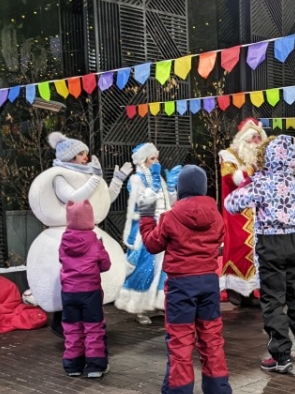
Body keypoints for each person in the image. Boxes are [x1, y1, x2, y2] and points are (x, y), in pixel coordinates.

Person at [224, 135, 295, 374]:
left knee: (274, 300)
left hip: (271, 243)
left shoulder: (260, 182)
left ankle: (281, 356)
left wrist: (246, 180)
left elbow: (231, 204)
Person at [27, 132, 131, 338]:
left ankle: (83, 326)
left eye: (85, 153)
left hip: (86, 231)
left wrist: (117, 180)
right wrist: (94, 178)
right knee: (62, 283)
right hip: (65, 233)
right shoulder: (60, 176)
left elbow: (103, 199)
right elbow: (73, 198)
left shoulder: (88, 175)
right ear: (70, 157)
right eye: (82, 154)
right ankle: (65, 324)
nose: (86, 157)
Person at [137, 165, 231, 394]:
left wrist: (147, 217)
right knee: (211, 339)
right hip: (209, 283)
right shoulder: (217, 217)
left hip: (181, 286)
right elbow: (219, 239)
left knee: (180, 343)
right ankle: (218, 389)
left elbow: (152, 244)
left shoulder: (170, 217)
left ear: (180, 189)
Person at [115, 143, 180, 325]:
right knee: (144, 268)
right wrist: (156, 186)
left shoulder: (158, 177)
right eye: (152, 158)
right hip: (144, 230)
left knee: (162, 268)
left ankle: (159, 302)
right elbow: (144, 202)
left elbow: (169, 203)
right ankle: (139, 307)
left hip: (163, 227)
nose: (156, 161)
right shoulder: (135, 180)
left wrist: (172, 186)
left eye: (157, 157)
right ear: (143, 161)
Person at [218, 118, 267, 306]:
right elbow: (230, 180)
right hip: (237, 212)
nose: (256, 141)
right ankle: (237, 290)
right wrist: (249, 170)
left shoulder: (259, 159)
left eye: (258, 137)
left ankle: (251, 291)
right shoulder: (229, 155)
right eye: (253, 137)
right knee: (242, 247)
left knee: (256, 250)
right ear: (244, 138)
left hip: (257, 211)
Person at [59, 200, 110, 378]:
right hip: (90, 292)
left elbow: (62, 262)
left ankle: (73, 366)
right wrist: (101, 249)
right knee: (93, 328)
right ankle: (95, 366)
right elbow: (106, 265)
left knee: (72, 328)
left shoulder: (64, 242)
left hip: (69, 292)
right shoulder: (94, 242)